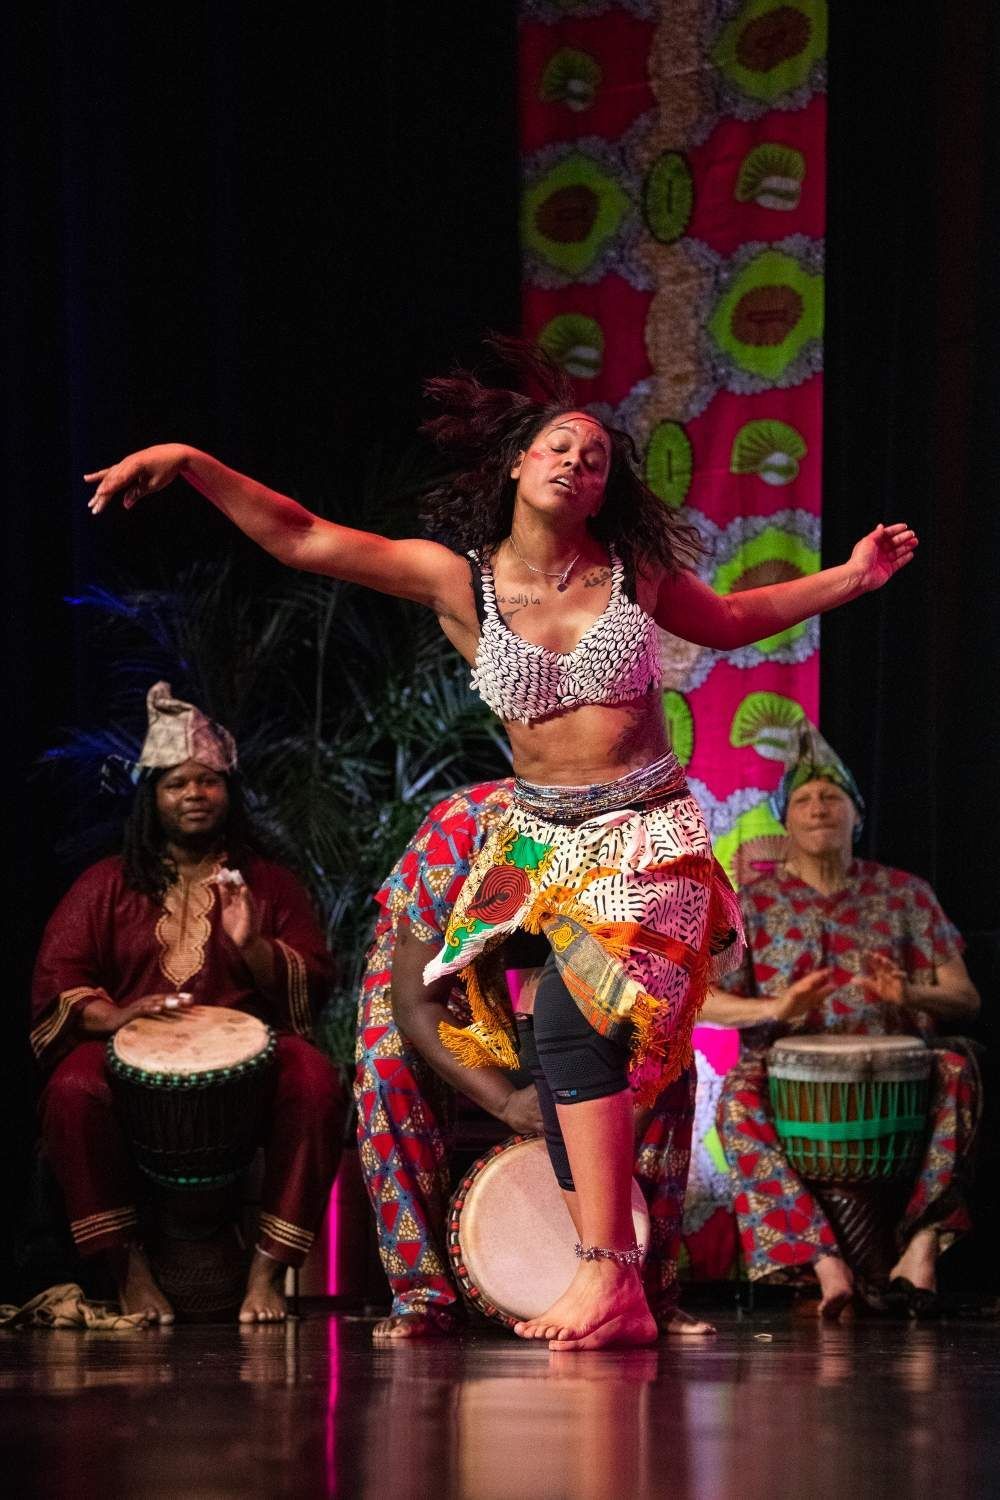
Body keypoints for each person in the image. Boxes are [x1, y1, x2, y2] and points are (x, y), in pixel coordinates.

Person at [86, 340, 917, 1348]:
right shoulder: (457, 582)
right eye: (560, 445)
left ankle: (610, 1276)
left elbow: (739, 617)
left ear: (606, 490)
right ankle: (568, 1269)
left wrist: (852, 578)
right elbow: (303, 537)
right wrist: (192, 458)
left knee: (574, 1017)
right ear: (519, 466)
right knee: (483, 1018)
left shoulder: (634, 574)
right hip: (533, 837)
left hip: (644, 824)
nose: (577, 461)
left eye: (598, 457)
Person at [32, 682, 345, 1325]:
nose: (195, 795)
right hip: (129, 1064)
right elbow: (57, 978)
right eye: (177, 784)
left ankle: (265, 1277)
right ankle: (131, 1275)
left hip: (247, 1070)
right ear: (154, 798)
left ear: (228, 793)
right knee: (70, 1089)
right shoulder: (105, 884)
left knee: (314, 1082)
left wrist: (253, 942)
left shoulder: (268, 882)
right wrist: (117, 1016)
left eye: (208, 782)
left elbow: (312, 979)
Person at [357, 779, 713, 1340]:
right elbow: (415, 1002)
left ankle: (648, 1292)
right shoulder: (460, 834)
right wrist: (507, 1101)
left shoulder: (646, 850)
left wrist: (623, 1108)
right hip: (441, 977)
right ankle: (420, 1296)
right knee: (387, 1065)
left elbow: (657, 1014)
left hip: (569, 967)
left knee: (674, 1069)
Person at [702, 721, 980, 1318]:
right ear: (785, 822)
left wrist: (908, 990)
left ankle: (923, 1243)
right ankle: (822, 1260)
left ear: (857, 814)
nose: (818, 807)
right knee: (734, 1100)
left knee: (959, 1065)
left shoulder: (905, 893)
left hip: (901, 1071)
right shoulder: (750, 904)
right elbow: (702, 1002)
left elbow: (965, 997)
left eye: (832, 797)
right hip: (784, 1078)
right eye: (803, 799)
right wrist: (777, 1007)